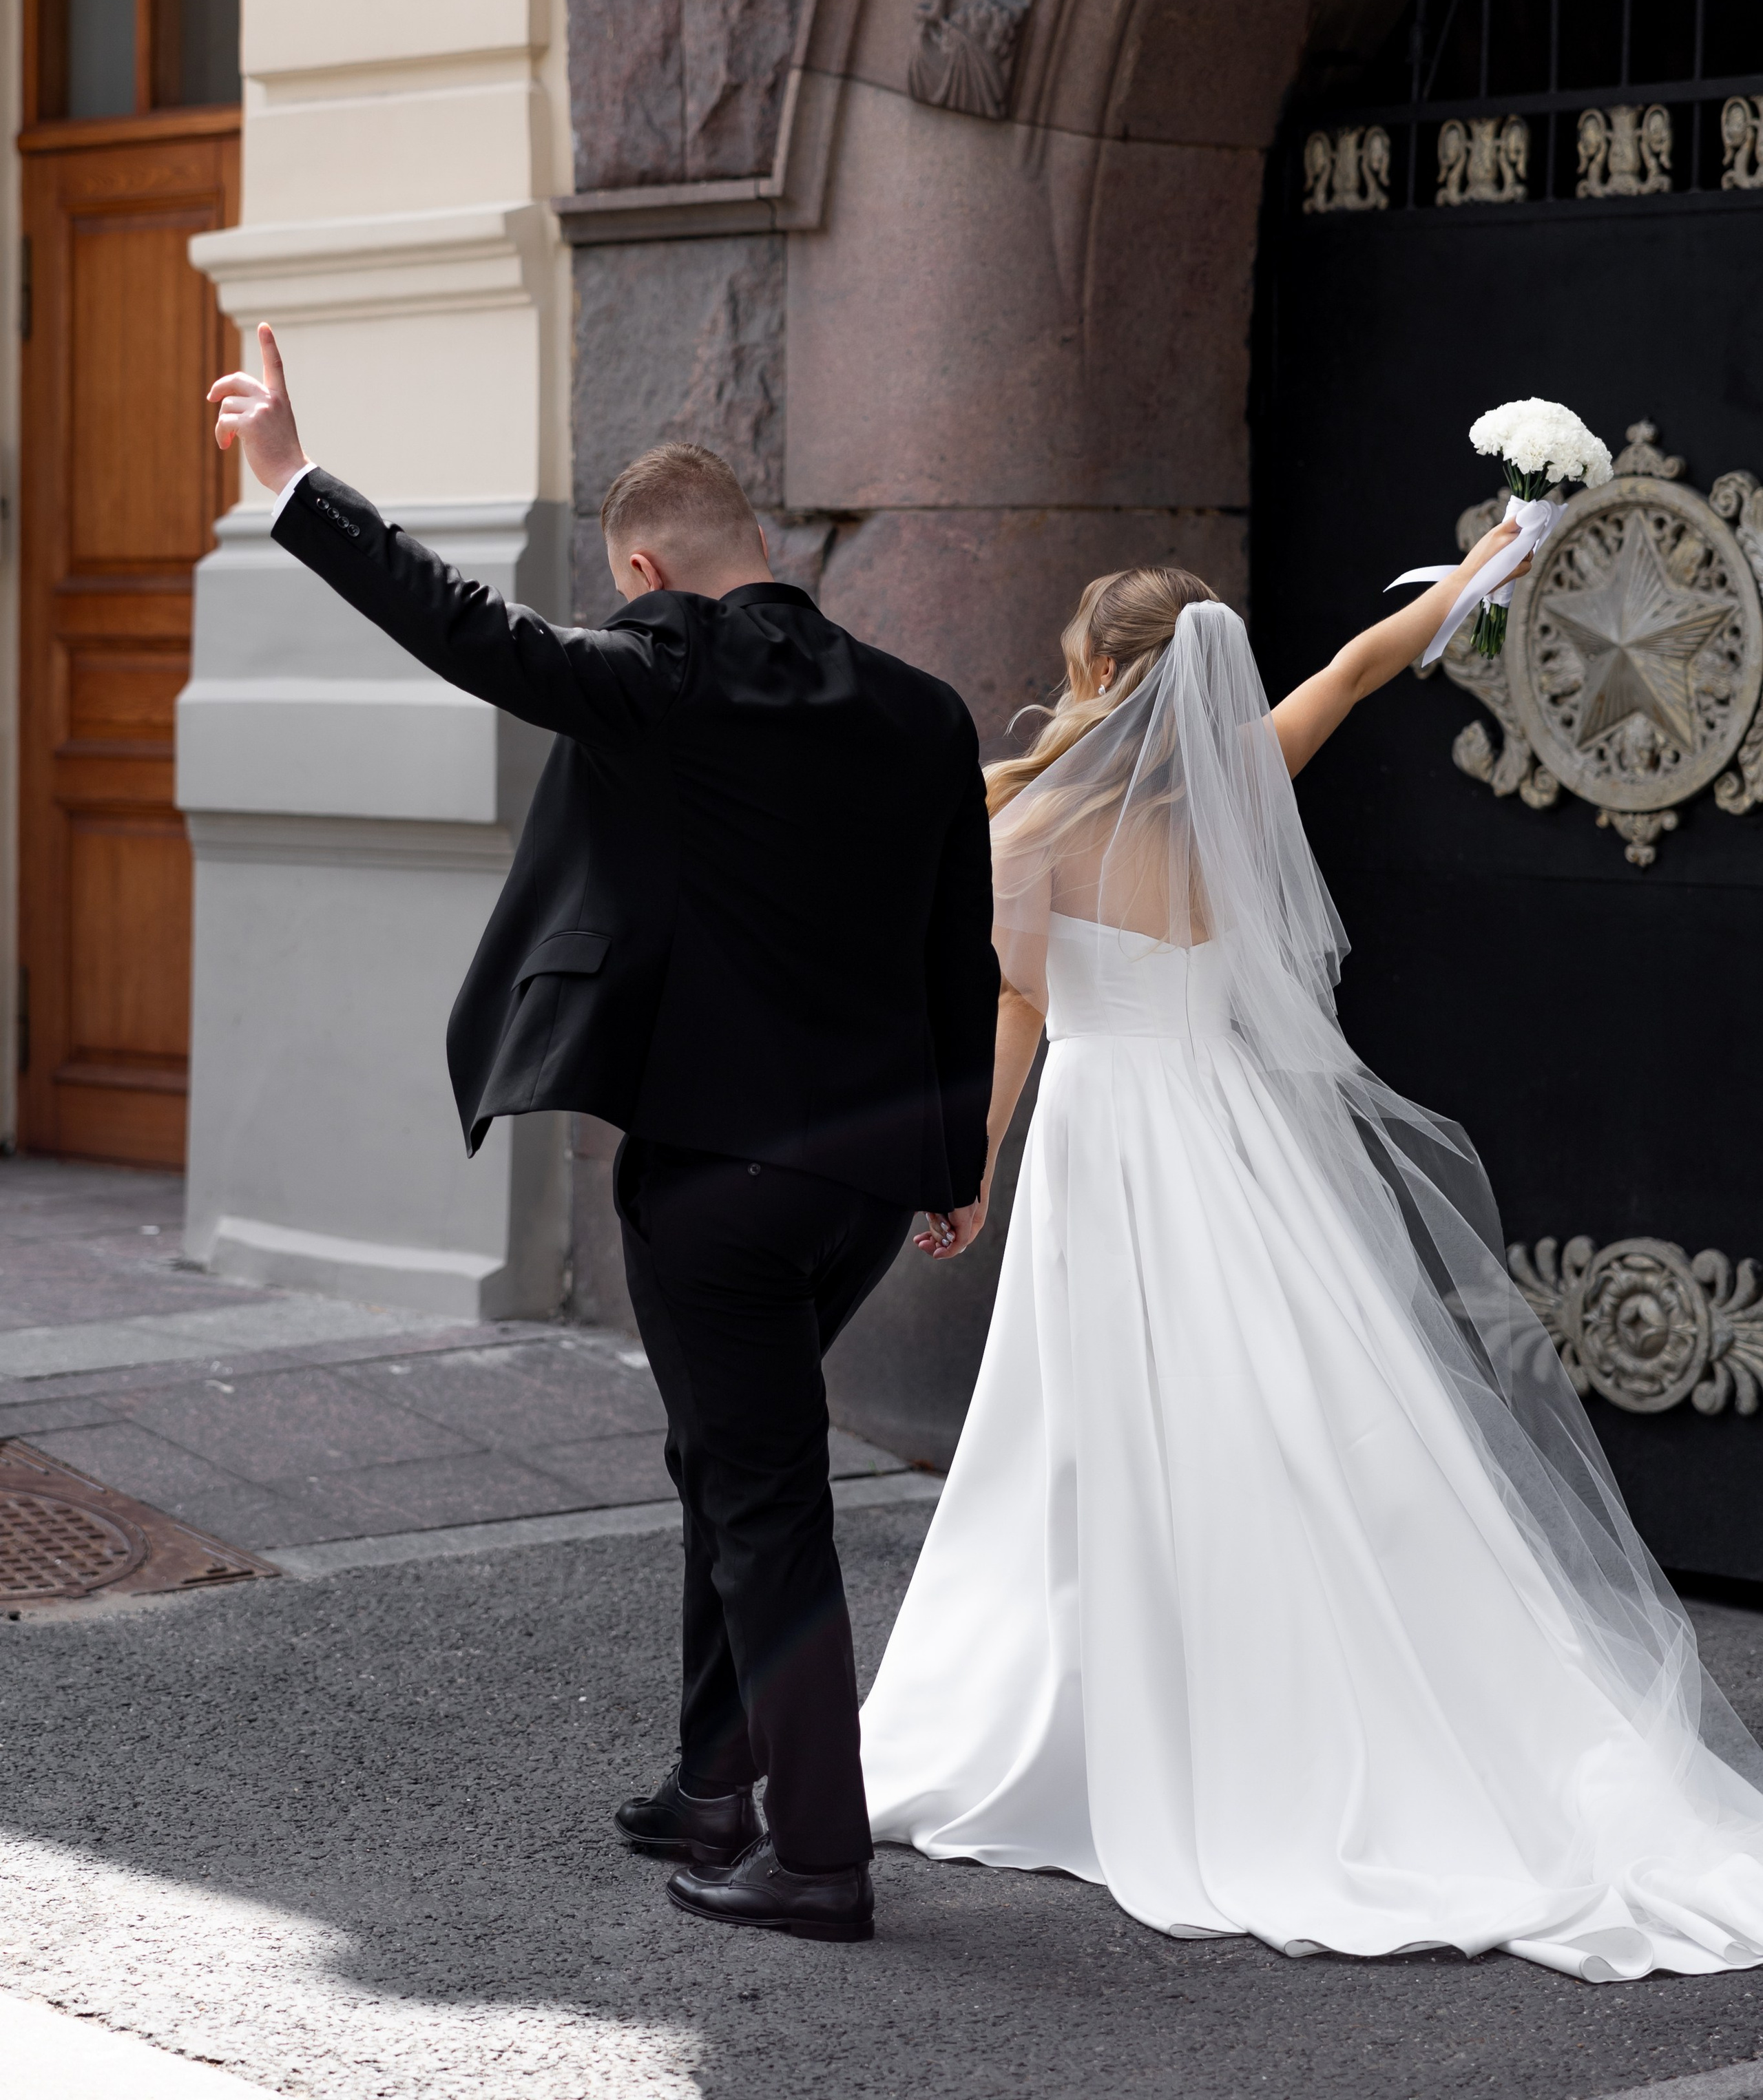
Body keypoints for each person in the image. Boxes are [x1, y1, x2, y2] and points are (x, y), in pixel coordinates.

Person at [862, 538, 1763, 1981]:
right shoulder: (1238, 785)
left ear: (1096, 675)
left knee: (1096, 1427)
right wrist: (1486, 562)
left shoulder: (1024, 832)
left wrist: (962, 1166)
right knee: (1291, 1410)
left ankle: (1123, 1707)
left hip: (1108, 1143)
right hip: (1234, 1139)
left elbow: (1018, 1014)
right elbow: (1358, 661)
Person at [209, 325, 997, 1946]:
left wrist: (293, 483)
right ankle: (717, 1780)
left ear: (644, 568)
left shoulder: (663, 674)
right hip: (860, 1180)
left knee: (759, 1487)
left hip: (714, 1178)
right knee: (730, 1455)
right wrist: (957, 1161)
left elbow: (470, 629)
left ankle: (818, 1853)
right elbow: (957, 953)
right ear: (759, 556)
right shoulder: (923, 716)